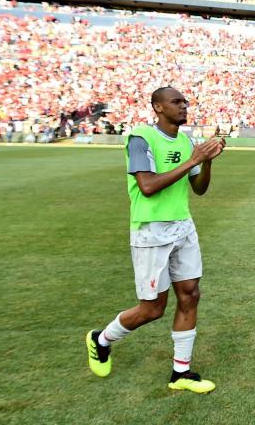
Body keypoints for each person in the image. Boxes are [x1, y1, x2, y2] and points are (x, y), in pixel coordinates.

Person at [85, 86, 226, 393]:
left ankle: (181, 373)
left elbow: (198, 189)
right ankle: (102, 338)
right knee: (152, 309)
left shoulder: (187, 141)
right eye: (176, 102)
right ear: (158, 107)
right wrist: (193, 160)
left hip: (182, 226)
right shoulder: (141, 137)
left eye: (185, 102)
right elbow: (147, 186)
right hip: (151, 230)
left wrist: (208, 160)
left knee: (190, 295)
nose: (184, 106)